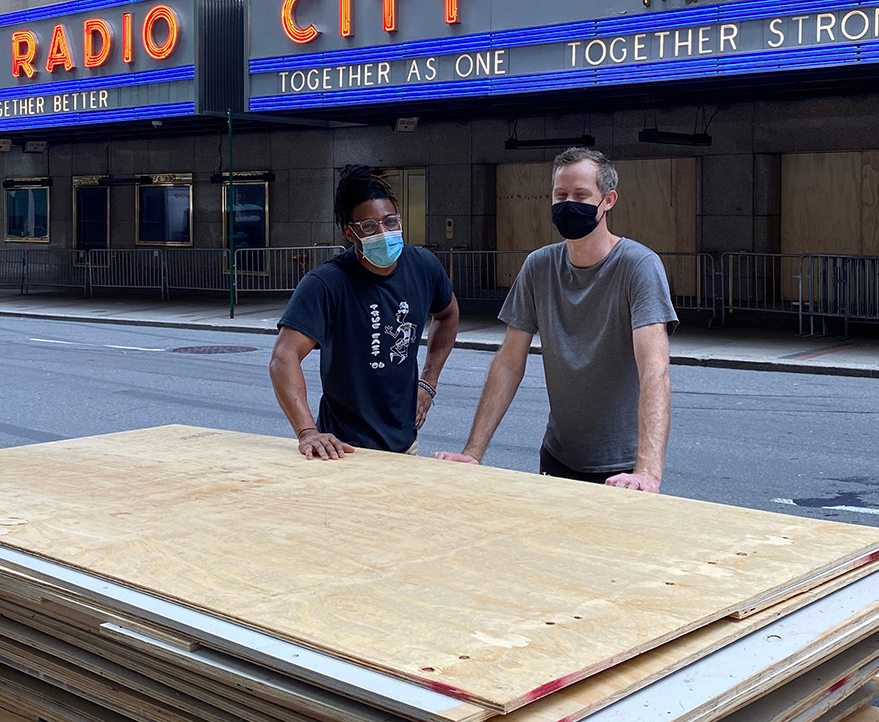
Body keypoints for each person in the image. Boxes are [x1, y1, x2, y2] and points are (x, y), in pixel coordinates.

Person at [435, 147, 675, 489]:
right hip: (557, 457)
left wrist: (647, 470)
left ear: (608, 200)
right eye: (560, 195)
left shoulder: (638, 266)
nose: (567, 204)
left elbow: (655, 367)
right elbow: (508, 362)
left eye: (581, 195)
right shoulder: (539, 266)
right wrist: (473, 452)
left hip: (623, 470)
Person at [270, 166, 459, 459]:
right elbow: (284, 357)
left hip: (405, 445)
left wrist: (428, 383)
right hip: (344, 450)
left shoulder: (423, 266)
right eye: (369, 226)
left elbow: (447, 314)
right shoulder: (326, 283)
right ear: (350, 232)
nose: (383, 232)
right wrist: (307, 432)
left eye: (390, 221)